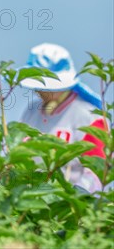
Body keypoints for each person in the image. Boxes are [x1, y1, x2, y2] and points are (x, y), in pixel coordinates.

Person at [20, 43, 107, 192]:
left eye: (43, 86)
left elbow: (97, 170)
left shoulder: (88, 117)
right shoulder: (31, 112)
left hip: (69, 206)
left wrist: (76, 196)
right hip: (30, 198)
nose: (38, 91)